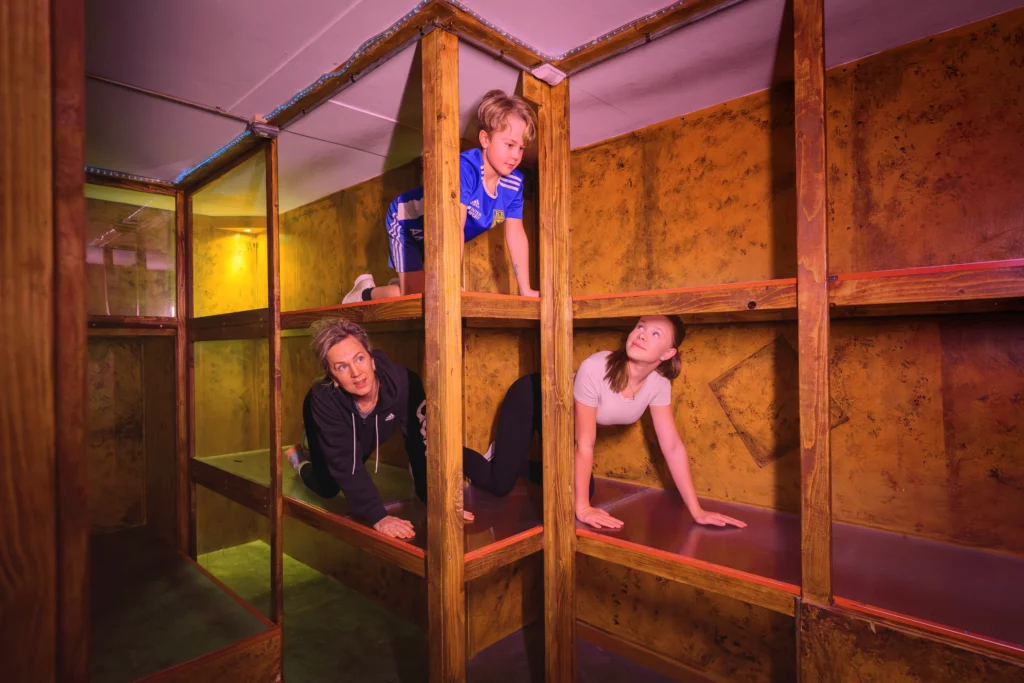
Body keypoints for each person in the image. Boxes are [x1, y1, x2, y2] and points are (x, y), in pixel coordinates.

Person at [468, 315, 748, 530]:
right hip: (532, 399)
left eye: (655, 333)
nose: (641, 335)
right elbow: (584, 442)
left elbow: (672, 446)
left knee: (582, 490)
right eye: (640, 326)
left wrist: (696, 511)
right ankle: (451, 454)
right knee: (499, 485)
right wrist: (583, 509)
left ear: (667, 354)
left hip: (564, 418)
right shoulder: (595, 368)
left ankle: (509, 458)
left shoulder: (658, 384)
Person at [285, 317, 475, 539]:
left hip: (363, 423)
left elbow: (421, 448)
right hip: (330, 418)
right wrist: (377, 515)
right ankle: (298, 457)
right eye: (342, 367)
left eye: (360, 358)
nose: (356, 373)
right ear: (333, 377)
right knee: (327, 487)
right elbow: (346, 463)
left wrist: (437, 502)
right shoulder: (323, 398)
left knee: (358, 454)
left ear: (372, 359)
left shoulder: (405, 384)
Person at [342, 89, 539, 302]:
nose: (516, 156)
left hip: (438, 235)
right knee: (418, 297)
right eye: (509, 145)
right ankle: (363, 293)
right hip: (407, 225)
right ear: (485, 139)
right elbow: (455, 228)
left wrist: (525, 289)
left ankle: (406, 283)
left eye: (521, 148)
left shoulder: (514, 183)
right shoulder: (465, 169)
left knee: (423, 293)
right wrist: (453, 281)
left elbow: (516, 234)